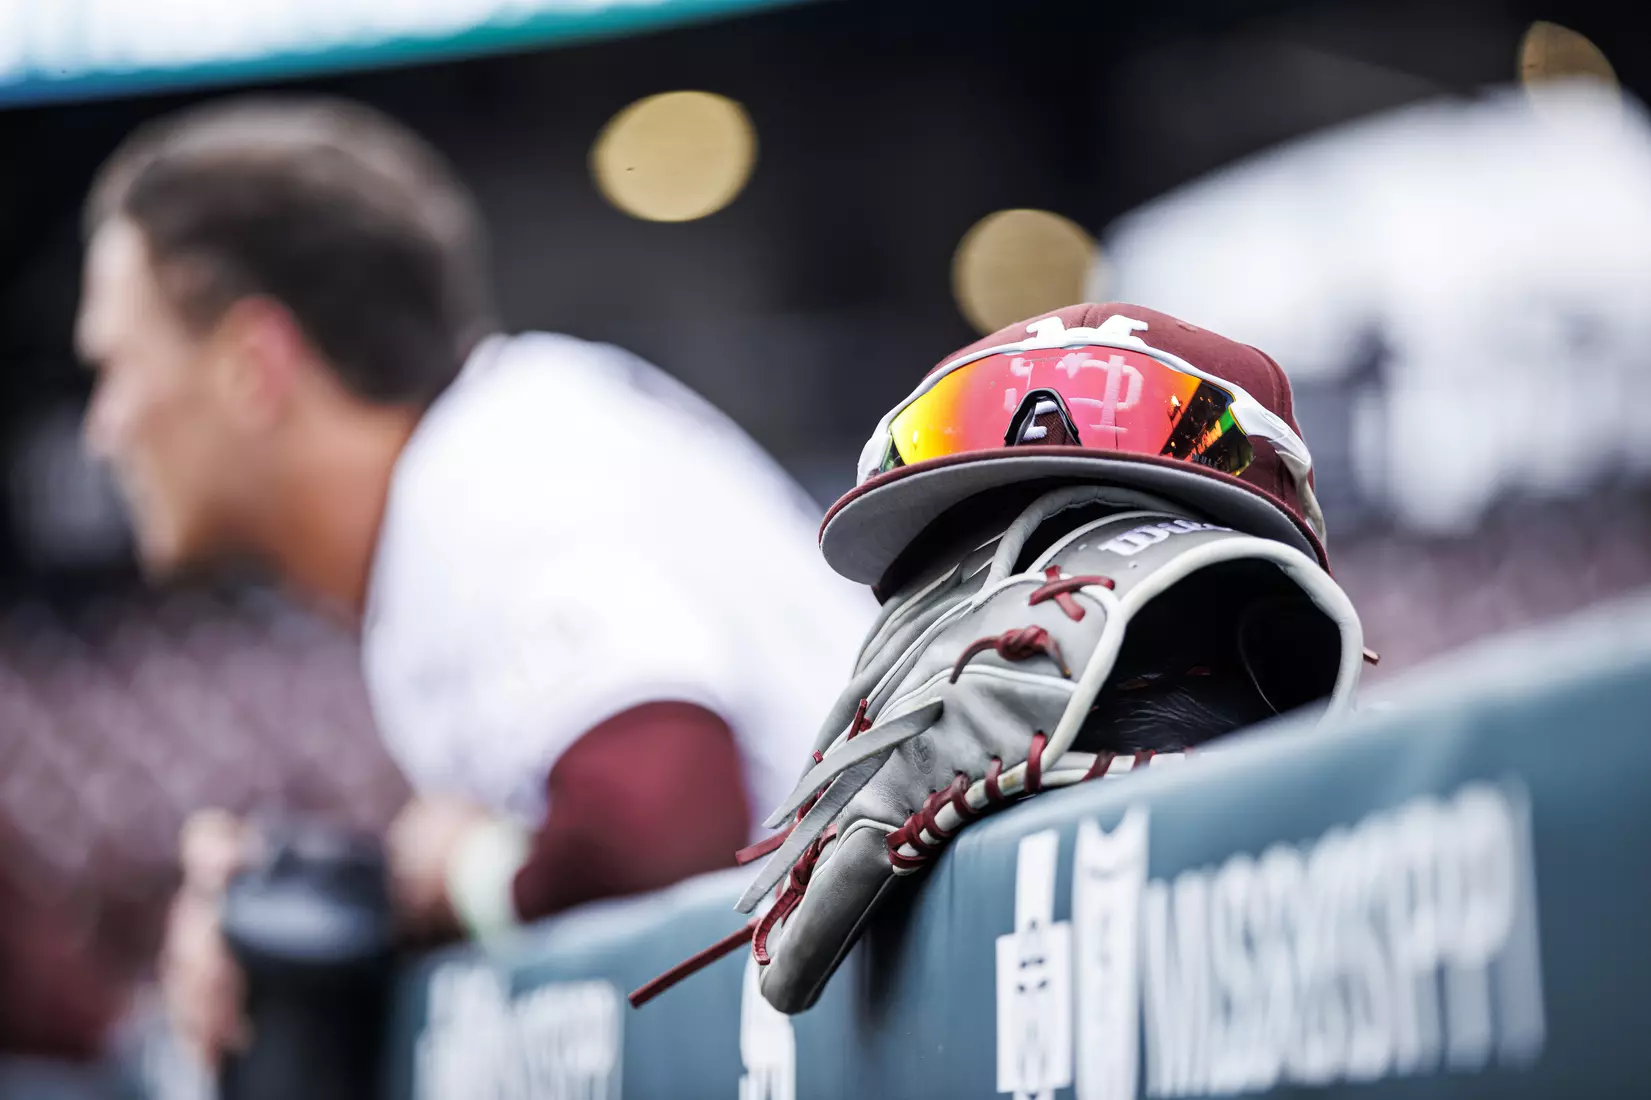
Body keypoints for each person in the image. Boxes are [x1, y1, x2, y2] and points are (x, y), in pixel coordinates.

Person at [73, 95, 872, 1068]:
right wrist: (346, 894)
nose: (101, 427)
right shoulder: (471, 464)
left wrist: (453, 877)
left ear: (252, 363)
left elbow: (662, 817)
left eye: (115, 367)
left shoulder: (494, 469)